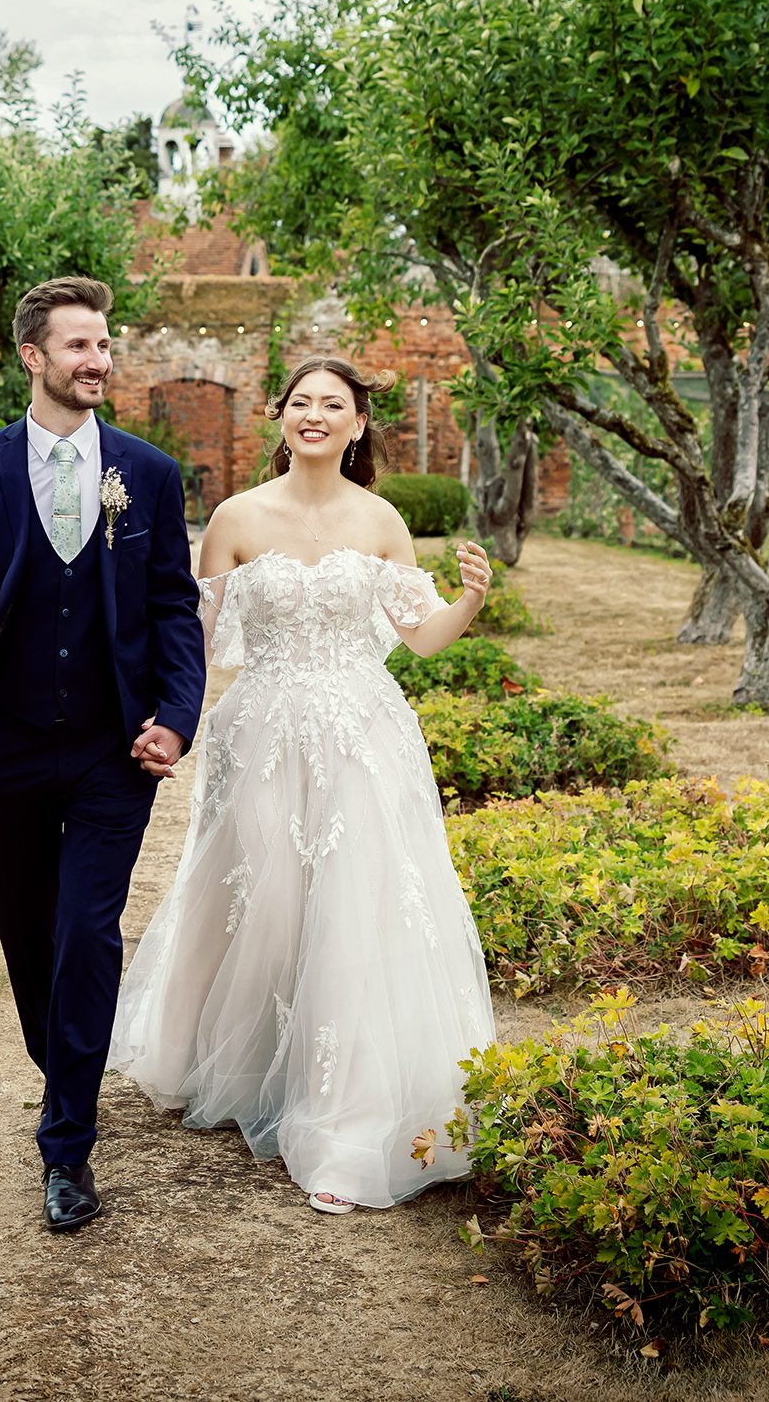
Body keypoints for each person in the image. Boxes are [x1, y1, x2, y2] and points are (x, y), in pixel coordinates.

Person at [108, 356, 498, 1213]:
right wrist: (154, 711)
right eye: (300, 403)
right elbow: (193, 640)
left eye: (334, 405)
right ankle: (233, 1062)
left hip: (365, 738)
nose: (314, 415)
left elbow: (422, 637)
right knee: (267, 902)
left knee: (356, 909)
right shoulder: (237, 517)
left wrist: (468, 600)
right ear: (280, 419)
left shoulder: (384, 519)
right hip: (262, 737)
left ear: (359, 425)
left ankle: (346, 1124)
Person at [0, 275, 206, 1234]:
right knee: (28, 938)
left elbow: (174, 603)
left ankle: (66, 1148)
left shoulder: (151, 472)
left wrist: (177, 714)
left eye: (105, 346)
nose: (99, 362)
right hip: (3, 747)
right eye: (79, 346)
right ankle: (72, 1071)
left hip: (108, 751)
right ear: (33, 357)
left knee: (87, 933)